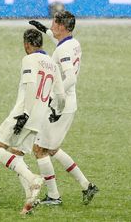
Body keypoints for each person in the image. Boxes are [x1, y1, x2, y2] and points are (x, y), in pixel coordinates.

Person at [0, 29, 66, 215]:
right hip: (39, 118)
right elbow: (61, 95)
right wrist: (57, 111)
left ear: (27, 44)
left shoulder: (29, 59)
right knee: (17, 155)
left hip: (24, 113)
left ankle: (33, 179)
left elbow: (31, 85)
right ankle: (30, 199)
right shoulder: (52, 64)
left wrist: (24, 113)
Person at [29, 11, 99, 205]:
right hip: (69, 104)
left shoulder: (63, 50)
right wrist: (43, 29)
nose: (51, 25)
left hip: (60, 105)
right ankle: (87, 185)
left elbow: (71, 78)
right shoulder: (73, 43)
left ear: (61, 26)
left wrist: (53, 97)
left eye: (53, 23)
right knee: (52, 149)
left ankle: (53, 196)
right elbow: (60, 44)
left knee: (39, 149)